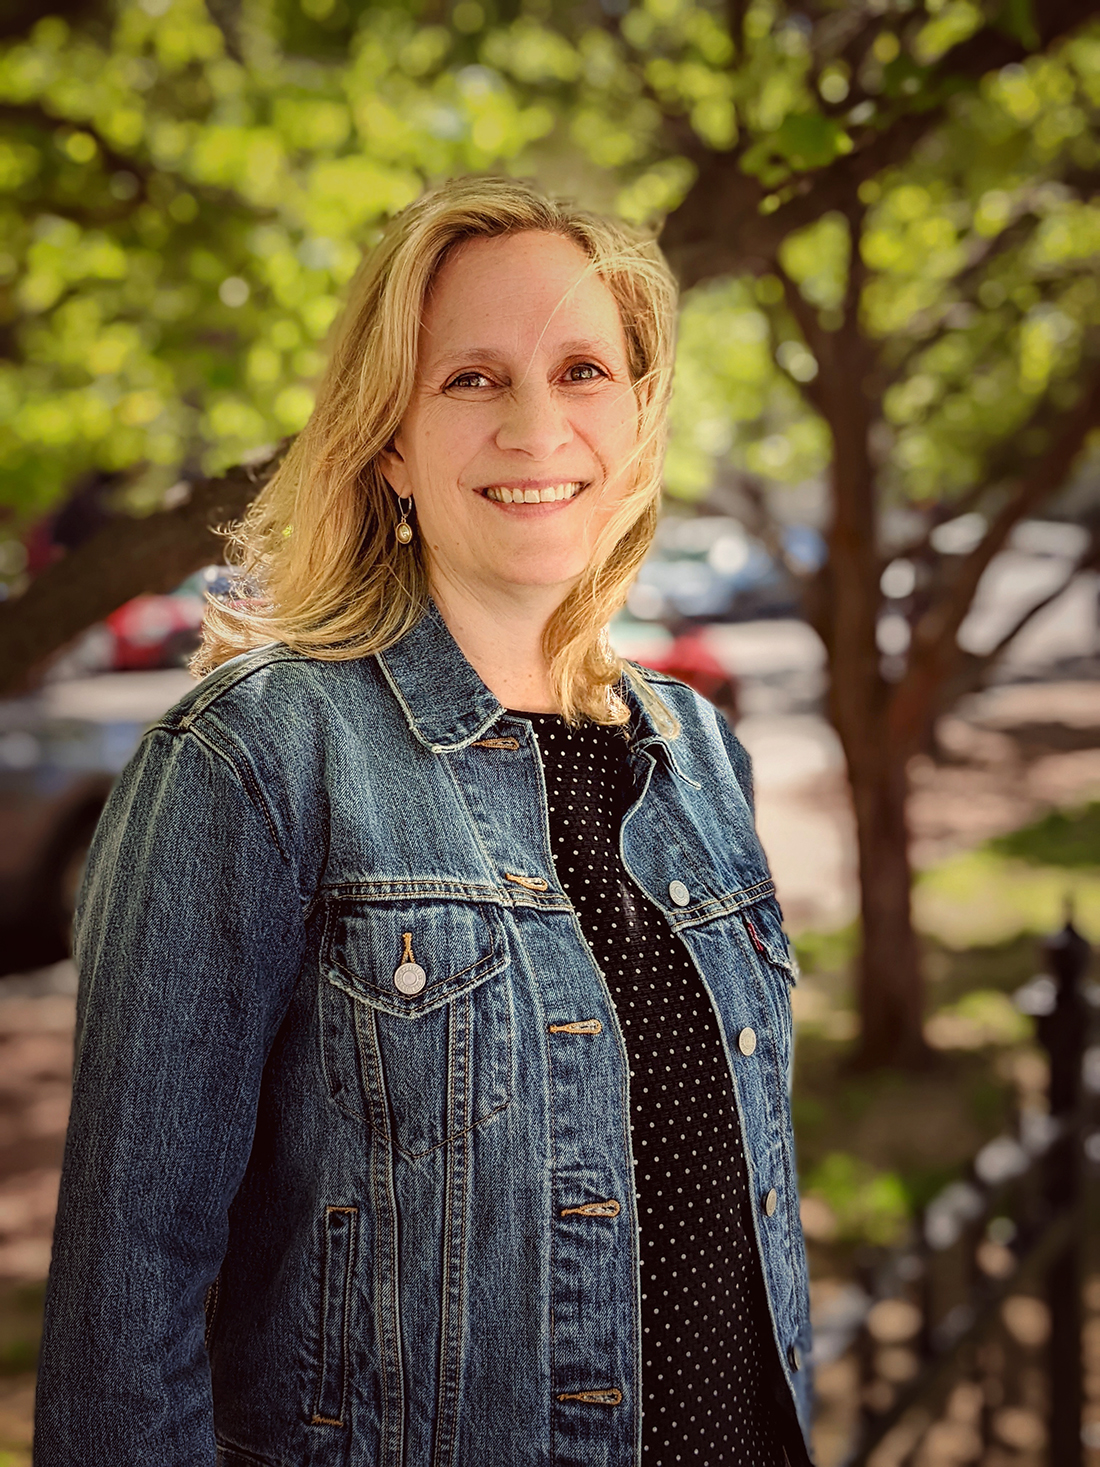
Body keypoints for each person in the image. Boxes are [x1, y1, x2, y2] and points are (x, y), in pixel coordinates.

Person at [34, 176, 814, 1467]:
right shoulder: (258, 758)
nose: (535, 425)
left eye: (581, 370)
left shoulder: (699, 755)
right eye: (471, 380)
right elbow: (127, 1322)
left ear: (636, 415)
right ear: (390, 438)